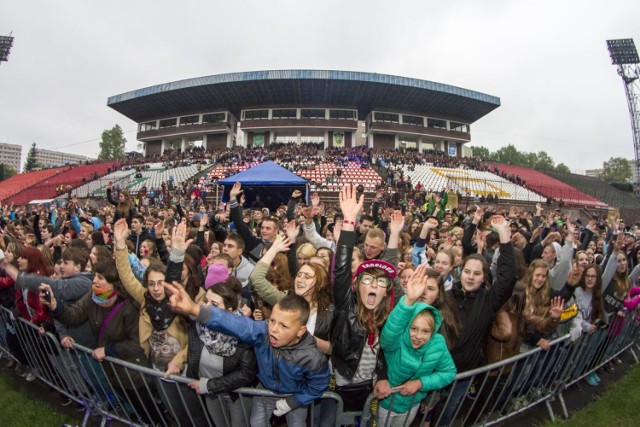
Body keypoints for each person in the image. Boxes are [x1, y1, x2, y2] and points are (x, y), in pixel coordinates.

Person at [164, 284, 329, 426]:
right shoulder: (262, 332)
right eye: (272, 321)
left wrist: (293, 402)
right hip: (265, 390)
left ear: (301, 331)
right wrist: (195, 309)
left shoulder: (313, 357)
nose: (274, 329)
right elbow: (236, 323)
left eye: (284, 326)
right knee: (256, 423)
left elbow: (318, 386)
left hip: (296, 394)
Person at [378, 264, 456, 425]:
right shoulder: (398, 339)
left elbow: (449, 372)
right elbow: (388, 337)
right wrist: (409, 300)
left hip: (411, 405)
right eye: (413, 328)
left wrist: (421, 383)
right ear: (406, 327)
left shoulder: (438, 343)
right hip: (385, 404)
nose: (418, 336)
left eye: (426, 331)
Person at [186, 283, 257, 426]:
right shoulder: (197, 328)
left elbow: (246, 373)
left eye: (214, 304)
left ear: (229, 311)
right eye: (205, 301)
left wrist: (210, 385)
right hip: (210, 393)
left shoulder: (243, 333)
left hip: (236, 395)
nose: (207, 306)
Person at [249, 236, 333, 354]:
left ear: (320, 283)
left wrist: (307, 339)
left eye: (307, 277)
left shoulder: (329, 311)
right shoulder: (285, 300)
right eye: (299, 275)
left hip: (311, 369)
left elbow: (334, 350)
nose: (300, 279)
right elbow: (256, 278)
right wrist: (274, 249)